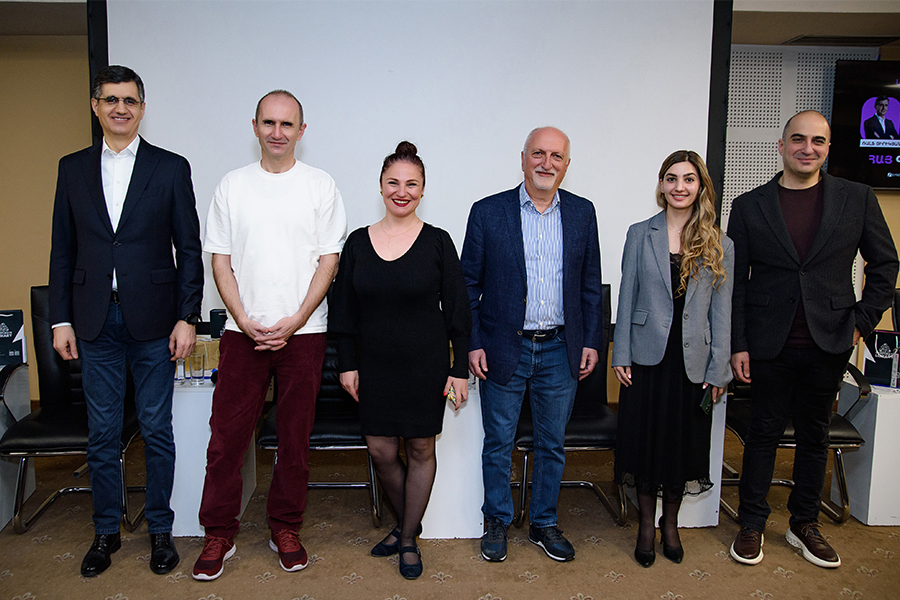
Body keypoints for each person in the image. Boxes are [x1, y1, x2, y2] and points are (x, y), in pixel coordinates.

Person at [48, 65, 203, 577]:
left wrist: (188, 317)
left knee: (157, 429)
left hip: (155, 321)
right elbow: (63, 250)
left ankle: (160, 528)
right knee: (102, 433)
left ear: (142, 107)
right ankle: (105, 531)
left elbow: (189, 249)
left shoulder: (170, 167)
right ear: (96, 106)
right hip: (94, 321)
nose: (121, 108)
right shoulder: (72, 168)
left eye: (130, 100)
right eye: (111, 99)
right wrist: (60, 319)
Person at [728, 110, 898, 569]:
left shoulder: (857, 198)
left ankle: (804, 523)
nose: (808, 148)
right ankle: (751, 523)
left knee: (814, 436)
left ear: (827, 148)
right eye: (798, 140)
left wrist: (861, 323)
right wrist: (738, 343)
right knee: (762, 434)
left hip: (831, 339)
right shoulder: (749, 206)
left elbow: (885, 265)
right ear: (781, 146)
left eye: (817, 141)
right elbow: (736, 283)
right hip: (767, 343)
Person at [192, 90, 348, 581]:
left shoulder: (321, 186)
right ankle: (219, 531)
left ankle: (285, 527)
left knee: (294, 441)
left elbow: (329, 261)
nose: (277, 132)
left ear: (302, 130)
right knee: (226, 440)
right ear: (255, 126)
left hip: (304, 333)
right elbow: (220, 260)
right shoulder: (232, 186)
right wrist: (243, 318)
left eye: (287, 124)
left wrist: (296, 320)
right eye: (268, 123)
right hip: (243, 333)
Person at [460, 127, 603, 563]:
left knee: (552, 443)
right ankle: (497, 520)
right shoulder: (488, 212)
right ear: (522, 158)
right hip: (504, 346)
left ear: (567, 165)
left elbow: (589, 285)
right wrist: (473, 342)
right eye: (538, 153)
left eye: (556, 156)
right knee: (498, 441)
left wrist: (591, 340)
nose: (546, 163)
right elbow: (467, 285)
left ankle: (543, 522)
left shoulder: (582, 212)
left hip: (561, 348)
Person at [331, 141, 472, 580]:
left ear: (423, 190)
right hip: (374, 365)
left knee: (421, 447)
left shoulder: (438, 242)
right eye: (393, 182)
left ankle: (407, 536)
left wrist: (459, 370)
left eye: (412, 184)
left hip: (425, 365)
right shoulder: (357, 242)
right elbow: (343, 312)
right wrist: (347, 364)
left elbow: (459, 313)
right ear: (380, 186)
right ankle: (408, 523)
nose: (402, 191)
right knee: (381, 449)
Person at [612, 150, 733, 568]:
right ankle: (646, 525)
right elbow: (627, 297)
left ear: (700, 186)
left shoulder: (720, 243)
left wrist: (720, 369)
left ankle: (671, 524)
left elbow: (722, 313)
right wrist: (621, 353)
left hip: (693, 363)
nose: (680, 187)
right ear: (662, 185)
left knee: (681, 446)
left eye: (689, 179)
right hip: (646, 359)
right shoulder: (639, 233)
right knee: (646, 444)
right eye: (671, 178)